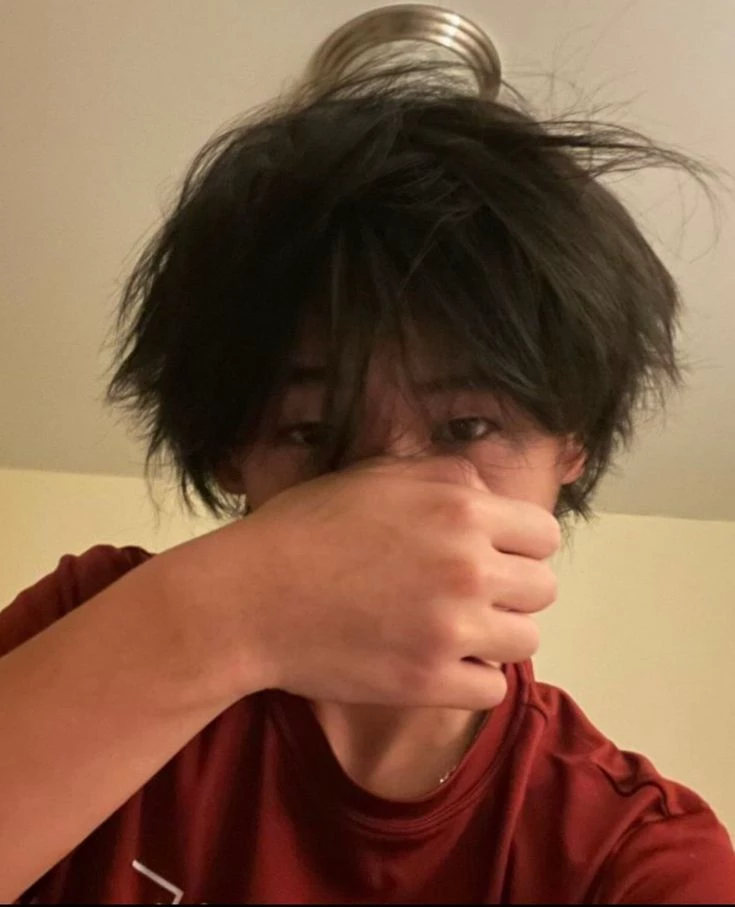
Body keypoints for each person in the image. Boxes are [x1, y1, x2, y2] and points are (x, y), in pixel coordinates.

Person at [1, 63, 733, 905]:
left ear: (573, 446)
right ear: (230, 454)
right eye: (312, 432)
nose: (386, 507)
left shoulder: (629, 853)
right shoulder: (93, 622)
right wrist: (222, 614)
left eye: (467, 426)